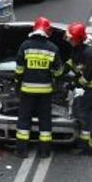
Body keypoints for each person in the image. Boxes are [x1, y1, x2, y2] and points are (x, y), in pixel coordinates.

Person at [14, 16, 63, 158]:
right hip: (45, 92)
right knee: (45, 121)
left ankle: (21, 150)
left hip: (27, 91)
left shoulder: (25, 46)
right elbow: (58, 71)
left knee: (24, 119)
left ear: (34, 30)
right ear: (47, 32)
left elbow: (19, 68)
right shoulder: (53, 48)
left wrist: (18, 80)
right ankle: (44, 151)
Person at [65, 22, 92, 154]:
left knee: (84, 113)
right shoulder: (81, 46)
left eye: (71, 38)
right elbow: (74, 60)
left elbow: (86, 77)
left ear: (77, 39)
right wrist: (61, 71)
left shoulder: (90, 53)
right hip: (89, 82)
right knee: (82, 109)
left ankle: (85, 146)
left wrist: (75, 84)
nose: (69, 40)